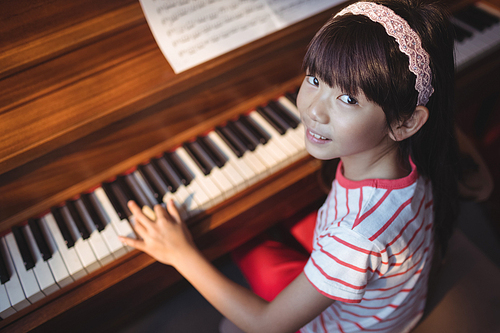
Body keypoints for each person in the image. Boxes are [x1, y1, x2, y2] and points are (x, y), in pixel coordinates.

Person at [119, 0, 462, 331]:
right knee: (266, 227)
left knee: (240, 256)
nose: (314, 110)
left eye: (348, 99)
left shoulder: (356, 236)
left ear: (405, 123)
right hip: (392, 305)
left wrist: (181, 254)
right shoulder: (412, 159)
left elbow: (266, 325)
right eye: (314, 79)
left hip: (347, 326)